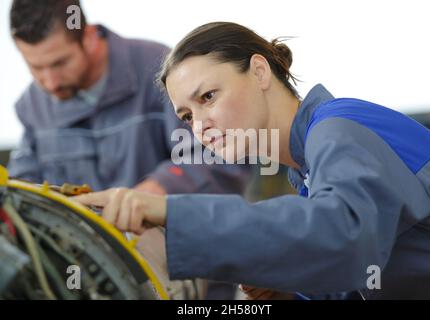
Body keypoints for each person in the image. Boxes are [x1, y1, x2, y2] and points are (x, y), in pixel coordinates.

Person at [74, 22, 430, 299]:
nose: (200, 126)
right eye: (187, 116)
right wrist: (294, 294)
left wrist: (170, 211)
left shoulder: (340, 128)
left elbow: (343, 236)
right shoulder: (309, 174)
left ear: (259, 71)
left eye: (208, 97)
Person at [8, 2, 251, 299]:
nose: (50, 81)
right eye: (36, 67)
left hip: (192, 284)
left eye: (59, 63)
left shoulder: (162, 72)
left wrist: (151, 194)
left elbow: (219, 156)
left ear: (88, 36)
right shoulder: (33, 107)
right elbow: (22, 191)